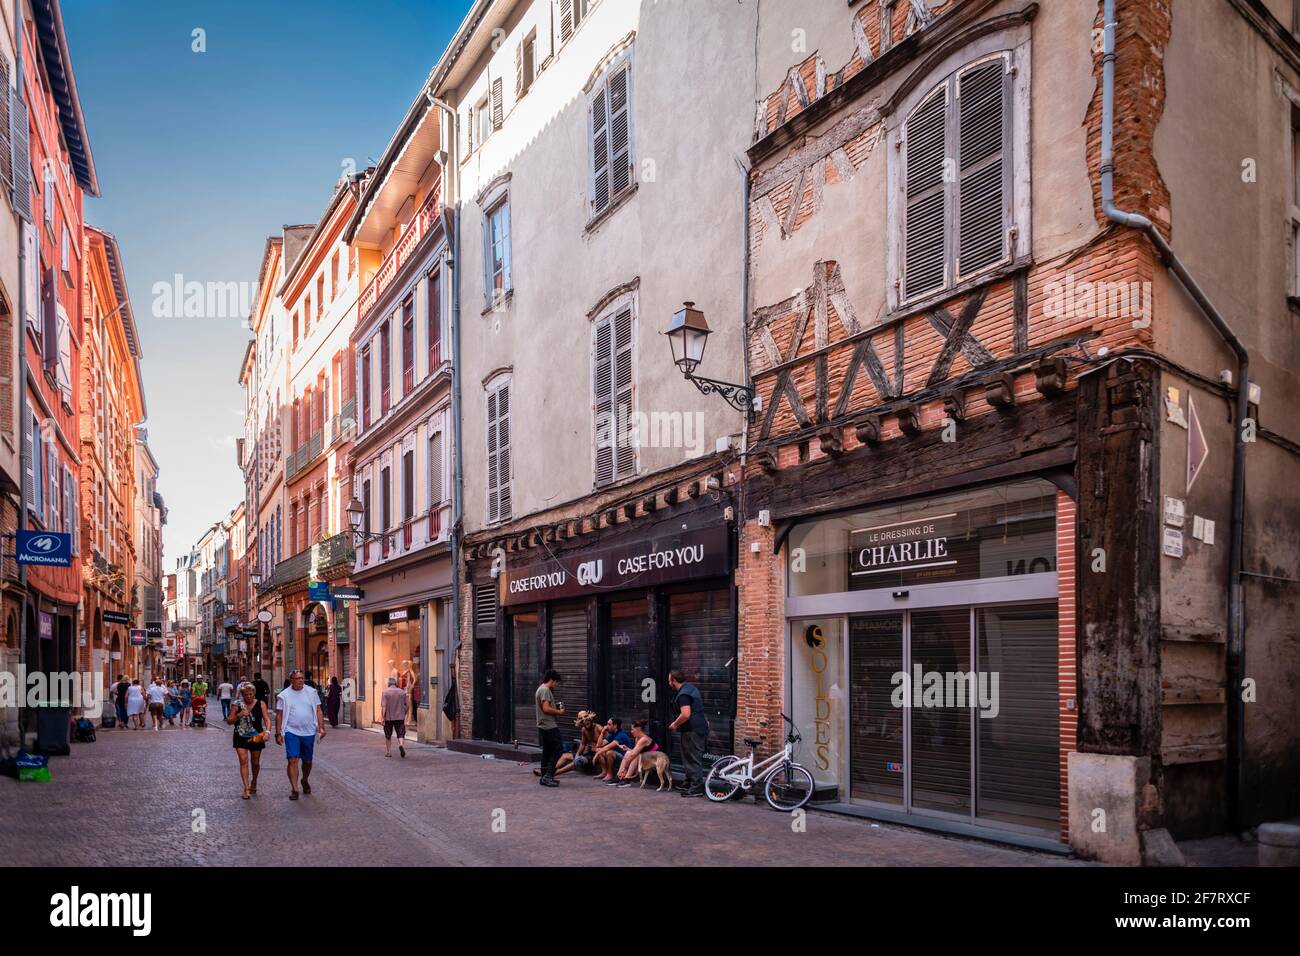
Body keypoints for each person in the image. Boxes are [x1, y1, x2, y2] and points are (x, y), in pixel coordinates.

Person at [275, 669, 326, 800]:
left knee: (307, 761)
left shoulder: (311, 692)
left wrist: (321, 727)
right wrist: (278, 733)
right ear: (291, 680)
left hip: (308, 731)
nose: (301, 680)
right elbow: (279, 715)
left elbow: (318, 710)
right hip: (291, 731)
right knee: (292, 759)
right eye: (298, 678)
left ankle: (304, 779)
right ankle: (294, 788)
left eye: (302, 678)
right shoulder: (284, 695)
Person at [668, 670, 710, 797]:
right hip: (694, 729)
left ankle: (696, 788)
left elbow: (686, 714)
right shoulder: (690, 688)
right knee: (688, 757)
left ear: (674, 681)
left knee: (692, 758)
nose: (668, 682)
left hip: (692, 730)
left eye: (669, 680)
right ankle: (689, 782)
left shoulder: (683, 695)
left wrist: (675, 724)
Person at [228, 682, 270, 800]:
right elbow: (229, 721)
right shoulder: (237, 705)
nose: (248, 697)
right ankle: (246, 788)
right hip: (240, 736)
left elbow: (267, 719)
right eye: (246, 695)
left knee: (255, 763)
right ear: (242, 694)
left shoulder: (261, 704)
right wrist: (239, 715)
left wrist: (267, 732)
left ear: (254, 693)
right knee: (243, 761)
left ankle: (254, 781)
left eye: (251, 694)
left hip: (257, 736)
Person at [534, 669, 565, 787]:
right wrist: (559, 711)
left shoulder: (540, 689)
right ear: (552, 680)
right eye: (556, 682)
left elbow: (546, 706)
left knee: (547, 751)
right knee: (558, 749)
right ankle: (548, 775)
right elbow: (546, 708)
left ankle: (544, 776)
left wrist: (555, 706)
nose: (556, 685)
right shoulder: (545, 690)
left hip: (543, 725)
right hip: (549, 725)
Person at [612, 719, 659, 787]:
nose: (631, 732)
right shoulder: (637, 738)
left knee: (635, 756)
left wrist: (625, 768)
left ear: (638, 729)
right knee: (628, 752)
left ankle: (627, 779)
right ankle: (619, 776)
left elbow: (633, 755)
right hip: (644, 759)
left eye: (632, 729)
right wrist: (628, 749)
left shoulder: (644, 739)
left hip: (653, 762)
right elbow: (634, 751)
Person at [592, 716, 632, 782]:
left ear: (615, 725)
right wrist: (602, 732)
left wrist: (596, 754)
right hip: (617, 757)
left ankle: (609, 774)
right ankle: (604, 772)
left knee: (609, 752)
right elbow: (599, 745)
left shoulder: (621, 735)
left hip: (625, 760)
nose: (606, 726)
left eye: (609, 724)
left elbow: (608, 747)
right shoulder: (612, 734)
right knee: (599, 749)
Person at [380, 677, 408, 758]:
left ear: (388, 684)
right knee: (401, 733)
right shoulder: (402, 692)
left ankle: (389, 752)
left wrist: (382, 717)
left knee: (388, 735)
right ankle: (401, 745)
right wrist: (404, 712)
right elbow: (407, 705)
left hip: (389, 718)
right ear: (395, 683)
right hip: (400, 717)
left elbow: (384, 706)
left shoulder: (385, 692)